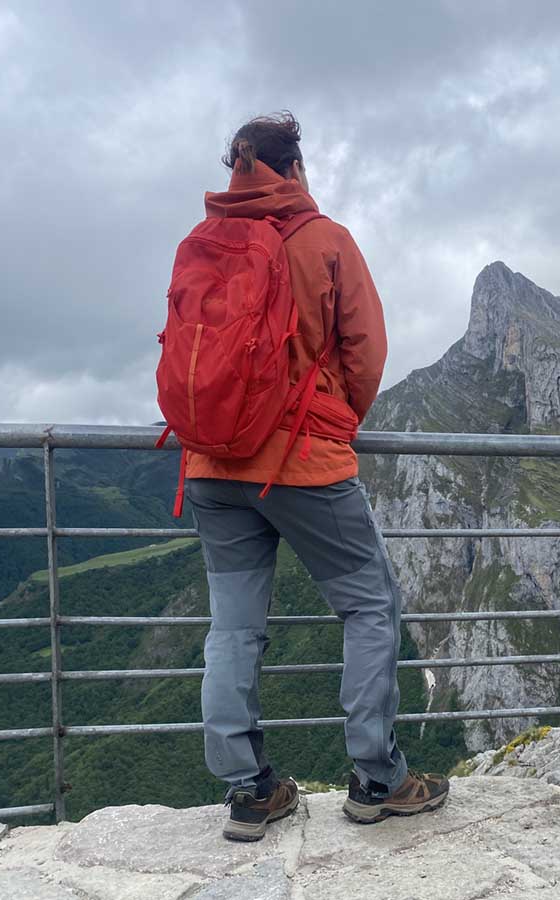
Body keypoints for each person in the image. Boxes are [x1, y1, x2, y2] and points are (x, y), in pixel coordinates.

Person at [177, 112, 448, 841]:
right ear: (294, 168)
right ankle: (378, 780)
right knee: (369, 606)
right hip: (301, 461)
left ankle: (247, 791)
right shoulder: (325, 241)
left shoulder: (203, 245)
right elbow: (364, 354)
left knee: (232, 626)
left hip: (208, 462)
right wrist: (331, 423)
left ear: (236, 169)